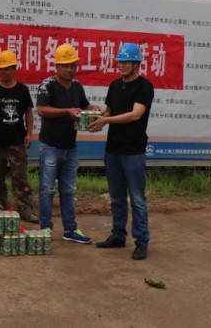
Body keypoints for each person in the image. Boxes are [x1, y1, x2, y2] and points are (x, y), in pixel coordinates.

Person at [88, 43, 154, 260]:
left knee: (137, 199)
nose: (121, 65)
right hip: (113, 150)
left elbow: (135, 115)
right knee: (116, 197)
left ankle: (141, 241)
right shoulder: (115, 85)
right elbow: (109, 111)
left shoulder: (145, 87)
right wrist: (97, 116)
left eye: (126, 62)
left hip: (133, 152)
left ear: (136, 64)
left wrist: (106, 120)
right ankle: (118, 235)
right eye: (119, 61)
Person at [36, 43, 99, 244]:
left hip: (70, 147)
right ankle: (45, 228)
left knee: (68, 190)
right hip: (50, 146)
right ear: (57, 66)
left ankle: (70, 229)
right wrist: (66, 111)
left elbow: (84, 106)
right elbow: (42, 110)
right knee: (47, 189)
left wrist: (93, 109)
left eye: (73, 65)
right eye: (65, 66)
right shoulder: (47, 85)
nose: (70, 69)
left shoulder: (77, 86)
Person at [0, 50, 38, 223]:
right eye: (0, 68)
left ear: (14, 69)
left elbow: (29, 112)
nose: (2, 72)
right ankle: (0, 203)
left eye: (6, 68)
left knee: (19, 176)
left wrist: (29, 133)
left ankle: (25, 208)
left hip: (17, 141)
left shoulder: (22, 90)